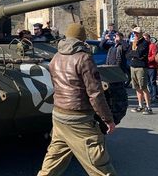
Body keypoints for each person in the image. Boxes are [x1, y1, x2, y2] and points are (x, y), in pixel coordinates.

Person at [37, 23, 116, 176]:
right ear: (82, 38)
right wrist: (108, 119)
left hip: (59, 114)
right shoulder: (84, 58)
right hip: (78, 117)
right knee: (99, 164)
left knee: (53, 161)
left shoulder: (56, 56)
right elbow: (95, 93)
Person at [129, 27, 152, 114]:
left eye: (137, 33)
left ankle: (148, 107)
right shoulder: (133, 42)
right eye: (134, 33)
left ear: (141, 33)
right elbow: (128, 53)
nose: (135, 35)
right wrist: (133, 53)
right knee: (137, 87)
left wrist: (134, 53)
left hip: (141, 67)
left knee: (143, 87)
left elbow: (139, 53)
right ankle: (140, 105)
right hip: (133, 66)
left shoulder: (144, 43)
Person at [145, 32, 158, 105]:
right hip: (146, 66)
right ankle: (150, 95)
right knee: (148, 83)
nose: (145, 40)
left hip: (152, 66)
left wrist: (146, 59)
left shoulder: (152, 45)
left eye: (146, 38)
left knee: (152, 82)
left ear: (149, 39)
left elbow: (154, 56)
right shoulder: (144, 46)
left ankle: (155, 97)